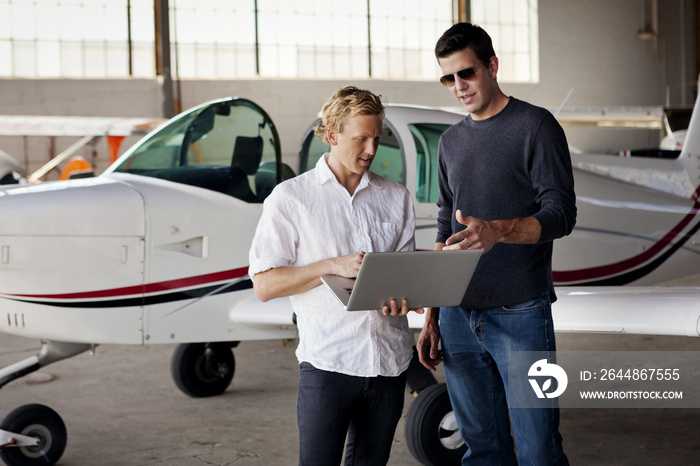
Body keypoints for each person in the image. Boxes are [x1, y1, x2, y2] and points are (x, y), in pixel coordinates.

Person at [417, 23, 577, 465]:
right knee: (482, 449)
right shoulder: (450, 143)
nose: (458, 86)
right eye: (448, 78)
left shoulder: (536, 126)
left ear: (492, 65)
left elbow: (561, 214)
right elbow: (442, 227)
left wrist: (498, 231)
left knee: (538, 449)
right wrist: (432, 313)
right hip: (455, 315)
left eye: (466, 73)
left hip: (521, 313)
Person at [248, 86, 422, 466]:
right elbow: (264, 285)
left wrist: (413, 292)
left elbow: (402, 275)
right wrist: (330, 265)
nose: (372, 150)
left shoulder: (397, 197)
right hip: (328, 365)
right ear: (331, 135)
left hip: (389, 365)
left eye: (377, 138)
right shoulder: (290, 198)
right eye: (361, 138)